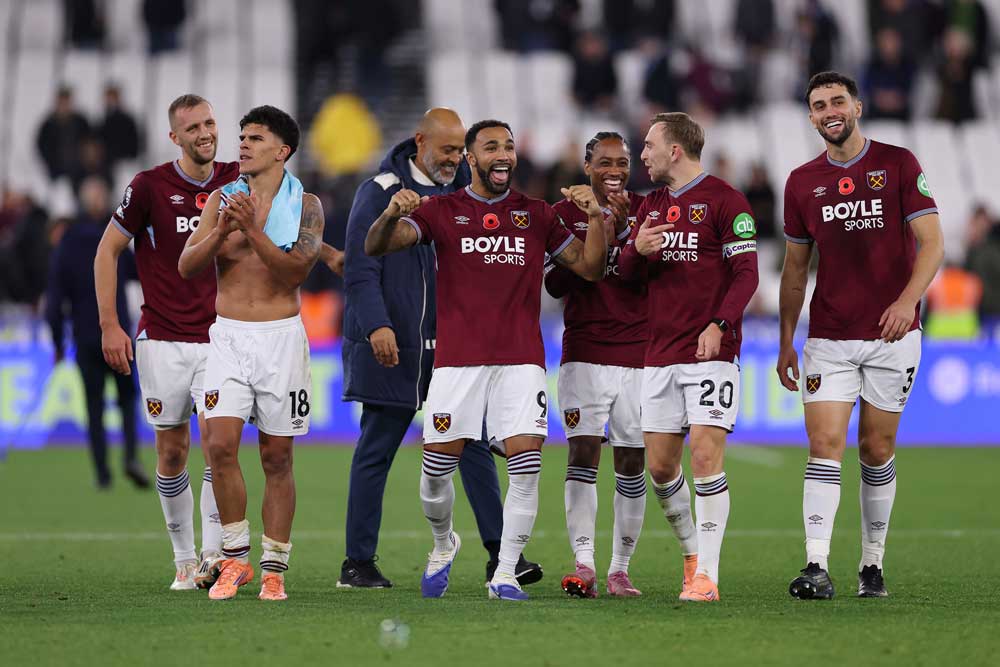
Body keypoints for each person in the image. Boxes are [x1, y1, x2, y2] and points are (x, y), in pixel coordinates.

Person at [365, 119, 607, 601]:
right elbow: (375, 246)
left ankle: (505, 573)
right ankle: (443, 543)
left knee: (526, 464)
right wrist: (391, 214)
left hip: (521, 361)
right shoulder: (441, 210)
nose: (504, 154)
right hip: (457, 364)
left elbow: (590, 267)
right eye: (491, 146)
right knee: (435, 473)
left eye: (510, 147)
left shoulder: (537, 214)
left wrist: (597, 217)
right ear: (471, 160)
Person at [339, 108, 541, 588]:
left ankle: (501, 556)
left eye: (458, 152)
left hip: (455, 347)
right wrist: (377, 326)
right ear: (419, 141)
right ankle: (358, 562)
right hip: (394, 343)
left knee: (472, 446)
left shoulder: (464, 194)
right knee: (377, 447)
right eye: (446, 150)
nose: (454, 159)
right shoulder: (381, 191)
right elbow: (360, 267)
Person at [778, 71, 944, 600]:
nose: (829, 110)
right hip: (829, 336)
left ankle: (871, 564)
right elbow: (795, 269)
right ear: (810, 117)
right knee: (824, 445)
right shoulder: (802, 182)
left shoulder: (898, 163)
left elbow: (933, 244)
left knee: (876, 448)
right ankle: (816, 564)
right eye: (818, 104)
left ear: (857, 107)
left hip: (894, 335)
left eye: (837, 101)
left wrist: (906, 300)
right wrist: (786, 338)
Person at [179, 105, 323, 602]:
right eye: (241, 137)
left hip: (281, 339)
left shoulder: (307, 206)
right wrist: (221, 230)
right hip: (228, 338)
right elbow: (187, 265)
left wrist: (252, 231)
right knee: (218, 446)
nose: (242, 144)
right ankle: (235, 559)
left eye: (255, 138)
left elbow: (294, 273)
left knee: (276, 456)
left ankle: (274, 569)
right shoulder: (221, 199)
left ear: (282, 150)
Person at [96, 94, 237, 590]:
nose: (205, 132)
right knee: (173, 451)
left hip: (222, 337)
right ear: (174, 137)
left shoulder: (236, 179)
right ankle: (182, 559)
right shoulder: (149, 186)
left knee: (220, 445)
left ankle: (213, 556)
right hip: (163, 338)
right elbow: (108, 250)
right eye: (193, 127)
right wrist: (110, 325)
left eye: (210, 122)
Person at [619, 112, 760, 602]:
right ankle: (692, 553)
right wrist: (636, 249)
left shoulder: (726, 201)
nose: (643, 154)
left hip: (710, 354)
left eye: (649, 145)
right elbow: (627, 275)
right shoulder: (651, 207)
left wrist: (719, 324)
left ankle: (708, 577)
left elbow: (747, 274)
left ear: (674, 149)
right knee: (659, 468)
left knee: (704, 453)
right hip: (658, 354)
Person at [545, 131, 662, 599]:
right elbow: (553, 286)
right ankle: (585, 564)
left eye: (623, 162)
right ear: (587, 165)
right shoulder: (563, 214)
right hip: (585, 354)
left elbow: (664, 278)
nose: (614, 171)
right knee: (582, 454)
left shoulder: (649, 210)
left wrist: (636, 243)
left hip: (639, 355)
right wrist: (596, 236)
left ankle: (619, 570)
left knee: (633, 460)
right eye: (605, 162)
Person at [47, 176, 147, 490]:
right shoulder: (115, 238)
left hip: (85, 336)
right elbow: (138, 272)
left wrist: (57, 342)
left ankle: (103, 473)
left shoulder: (68, 241)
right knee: (128, 397)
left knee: (94, 405)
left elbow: (54, 299)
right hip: (118, 334)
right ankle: (131, 456)